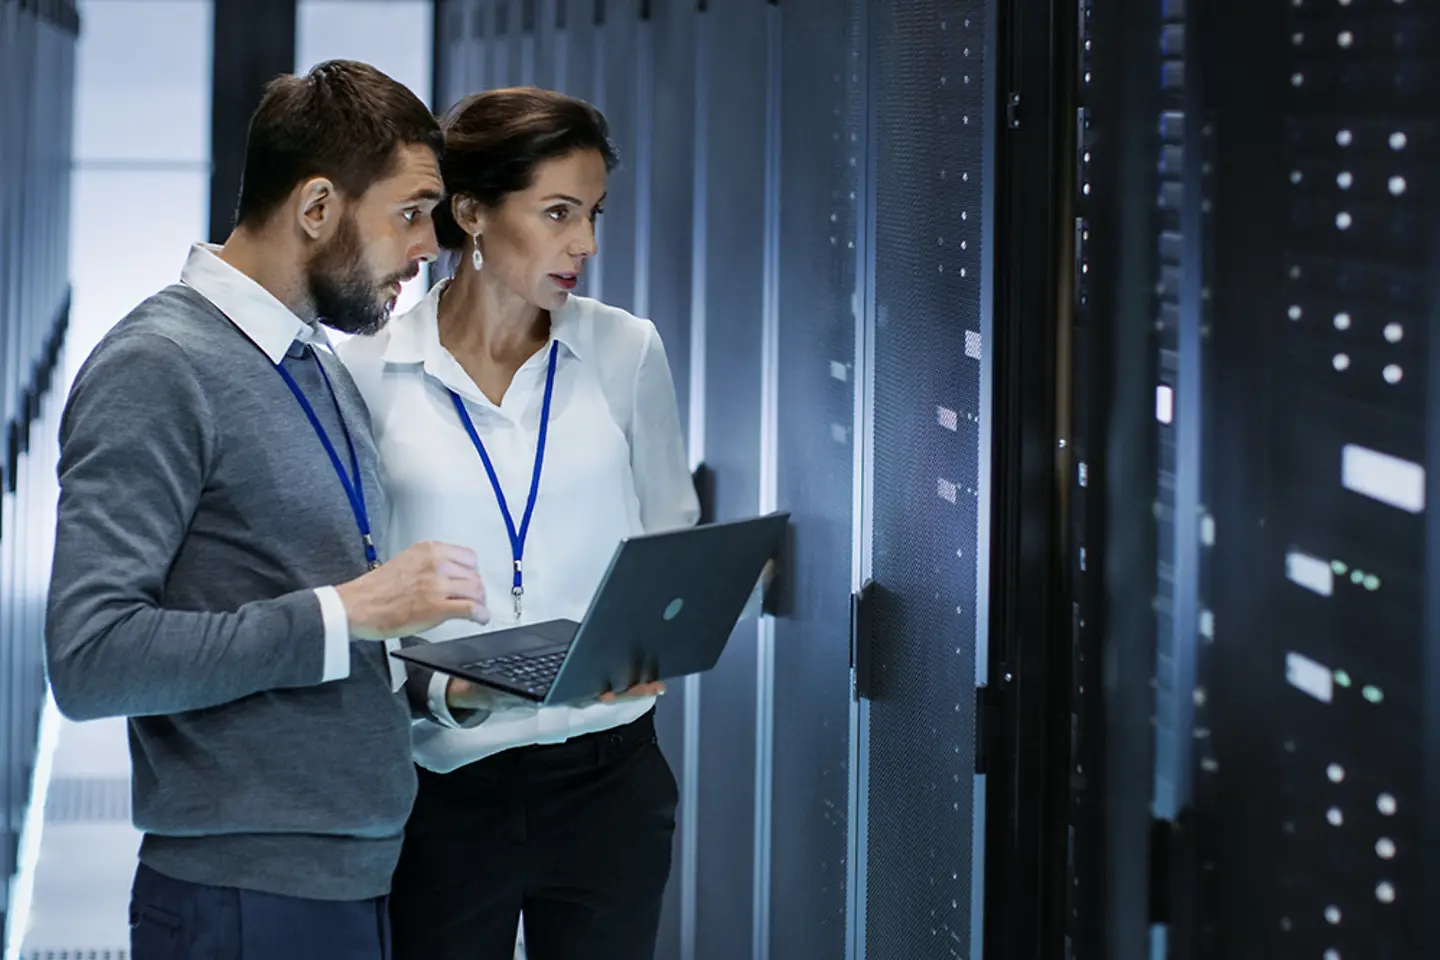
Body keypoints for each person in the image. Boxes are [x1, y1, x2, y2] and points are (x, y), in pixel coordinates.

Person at [44, 60, 492, 960]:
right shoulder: (157, 368)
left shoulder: (315, 366)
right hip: (244, 899)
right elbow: (91, 659)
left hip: (354, 877)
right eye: (409, 213)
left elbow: (312, 620)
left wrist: (445, 685)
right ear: (317, 207)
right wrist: (351, 609)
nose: (429, 246)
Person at [336, 87, 749, 960]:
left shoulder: (625, 350)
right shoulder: (368, 371)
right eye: (558, 213)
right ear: (472, 212)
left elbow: (669, 539)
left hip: (609, 780)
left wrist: (651, 641)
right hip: (444, 787)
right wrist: (437, 691)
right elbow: (345, 590)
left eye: (593, 214)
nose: (586, 244)